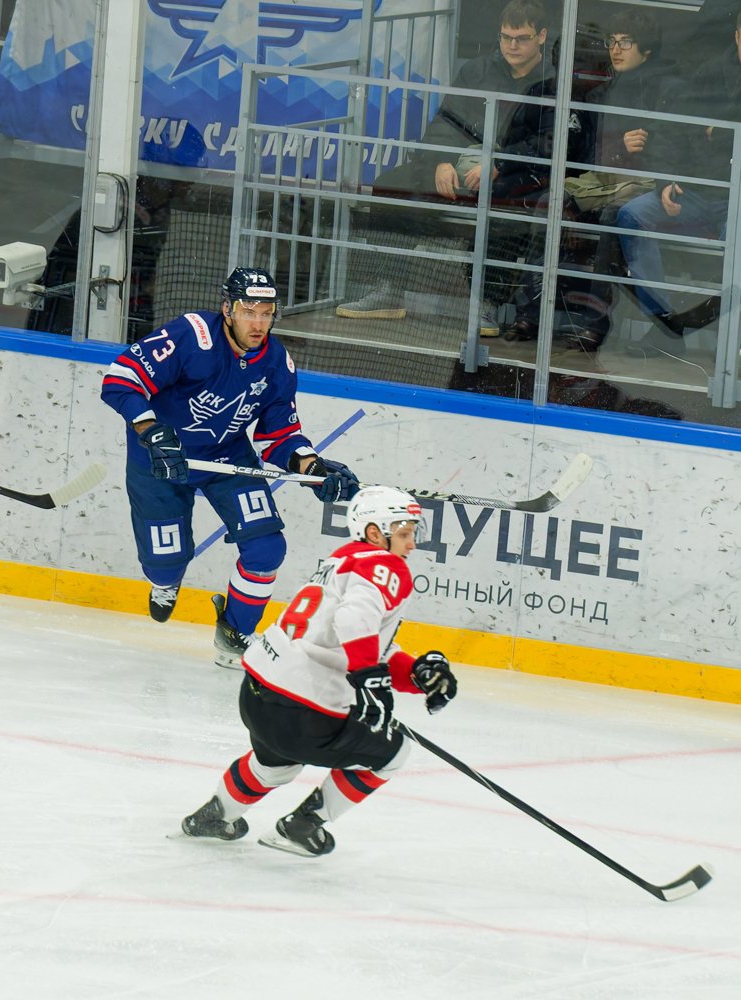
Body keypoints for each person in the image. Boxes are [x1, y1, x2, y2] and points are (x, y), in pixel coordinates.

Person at [100, 266, 360, 668]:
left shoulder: (276, 362)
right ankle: (165, 581)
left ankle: (234, 635)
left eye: (266, 313)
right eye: (248, 311)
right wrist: (149, 430)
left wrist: (312, 468)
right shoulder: (192, 335)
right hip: (161, 460)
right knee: (165, 563)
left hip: (227, 459)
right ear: (227, 309)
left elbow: (279, 436)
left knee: (267, 547)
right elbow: (120, 379)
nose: (258, 323)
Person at [178, 486, 459, 856]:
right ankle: (303, 826)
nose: (412, 544)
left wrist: (417, 675)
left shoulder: (341, 561)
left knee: (274, 765)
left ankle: (216, 815)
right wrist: (369, 681)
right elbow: (354, 622)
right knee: (393, 752)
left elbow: (351, 641)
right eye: (405, 533)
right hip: (305, 710)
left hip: (258, 694)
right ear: (375, 533)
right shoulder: (386, 565)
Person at [336, 0, 555, 333]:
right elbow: (447, 121)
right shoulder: (477, 71)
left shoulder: (553, 81)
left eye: (521, 38)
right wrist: (440, 160)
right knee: (392, 184)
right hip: (460, 165)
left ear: (541, 36)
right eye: (505, 37)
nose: (512, 45)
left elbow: (548, 142)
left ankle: (487, 303)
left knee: (503, 206)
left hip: (512, 174)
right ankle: (389, 289)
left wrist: (500, 163)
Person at [510, 9, 681, 349]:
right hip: (602, 181)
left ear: (646, 49)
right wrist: (617, 146)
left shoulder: (668, 89)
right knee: (550, 204)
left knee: (611, 218)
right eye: (612, 42)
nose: (616, 50)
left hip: (646, 187)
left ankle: (594, 323)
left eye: (625, 42)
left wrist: (638, 148)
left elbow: (677, 145)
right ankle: (530, 312)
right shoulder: (601, 93)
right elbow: (587, 155)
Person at [613, 9, 741, 353]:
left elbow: (721, 134)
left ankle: (731, 345)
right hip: (694, 190)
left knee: (736, 249)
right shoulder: (707, 74)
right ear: (737, 36)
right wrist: (666, 183)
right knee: (631, 215)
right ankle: (666, 327)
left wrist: (720, 131)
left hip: (738, 200)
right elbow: (672, 132)